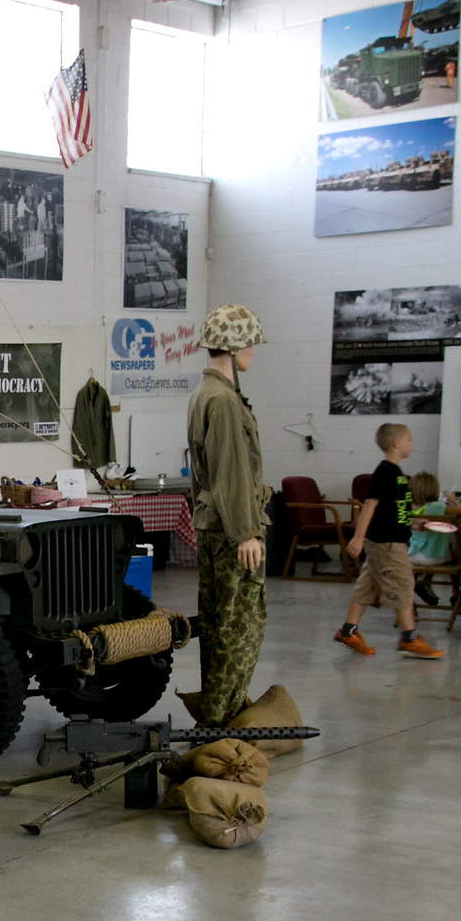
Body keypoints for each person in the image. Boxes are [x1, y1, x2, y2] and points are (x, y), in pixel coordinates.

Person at [186, 304, 270, 724]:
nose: (253, 351)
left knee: (221, 624)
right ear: (235, 346)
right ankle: (221, 720)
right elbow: (230, 472)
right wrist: (246, 533)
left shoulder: (206, 393)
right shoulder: (222, 400)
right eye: (250, 343)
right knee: (239, 630)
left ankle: (218, 714)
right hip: (230, 528)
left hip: (213, 524)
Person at [335, 422, 445, 659]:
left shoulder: (397, 475)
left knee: (367, 588)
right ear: (397, 443)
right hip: (387, 544)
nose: (411, 444)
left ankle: (348, 631)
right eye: (409, 439)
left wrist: (415, 524)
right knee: (404, 583)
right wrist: (358, 537)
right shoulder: (385, 472)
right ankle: (409, 637)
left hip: (389, 540)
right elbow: (370, 506)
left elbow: (394, 512)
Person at [406, 470, 453, 608]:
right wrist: (452, 500)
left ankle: (418, 583)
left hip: (412, 555)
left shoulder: (408, 506)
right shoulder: (436, 507)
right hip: (434, 557)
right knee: (456, 554)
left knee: (427, 555)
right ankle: (456, 594)